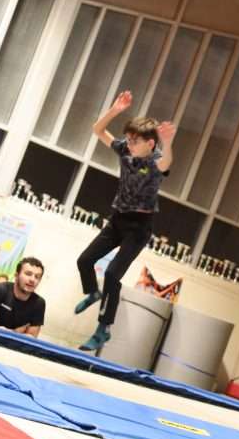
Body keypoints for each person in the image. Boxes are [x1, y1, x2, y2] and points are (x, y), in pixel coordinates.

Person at [74, 90, 176, 351]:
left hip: (139, 228)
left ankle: (102, 328)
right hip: (117, 220)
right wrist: (115, 110)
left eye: (135, 141)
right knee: (84, 260)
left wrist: (168, 141)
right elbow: (98, 130)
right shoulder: (125, 150)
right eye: (128, 139)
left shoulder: (154, 161)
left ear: (150, 143)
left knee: (112, 274)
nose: (128, 143)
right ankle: (92, 293)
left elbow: (166, 163)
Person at [0, 257, 46, 337]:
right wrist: (13, 332)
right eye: (28, 274)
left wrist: (4, 331)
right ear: (16, 275)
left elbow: (31, 338)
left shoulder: (39, 303)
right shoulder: (0, 290)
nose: (32, 279)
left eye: (37, 277)